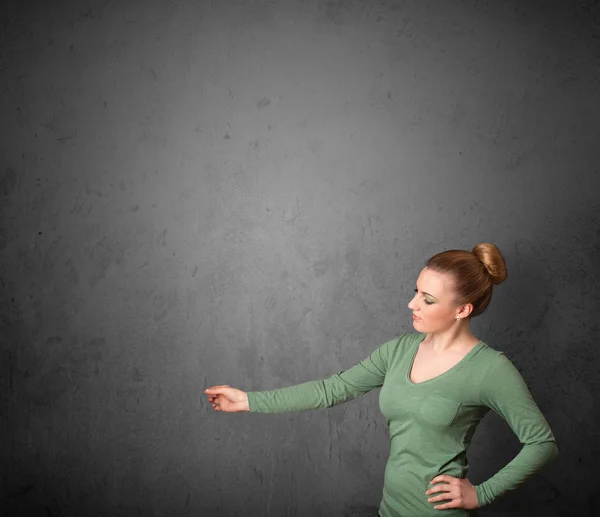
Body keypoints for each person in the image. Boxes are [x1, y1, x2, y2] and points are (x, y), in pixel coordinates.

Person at [204, 242, 558, 517]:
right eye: (416, 291)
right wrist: (248, 400)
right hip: (390, 509)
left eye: (427, 299)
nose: (411, 304)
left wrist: (481, 493)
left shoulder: (489, 369)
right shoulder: (399, 350)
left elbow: (542, 443)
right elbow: (332, 389)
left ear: (462, 310)